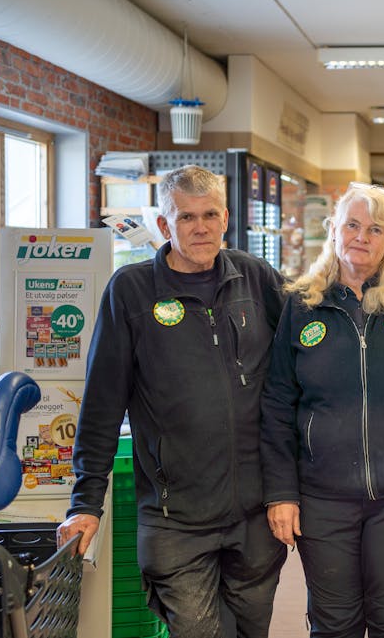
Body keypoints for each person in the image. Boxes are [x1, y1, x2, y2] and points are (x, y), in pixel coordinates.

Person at [56, 165, 288, 638]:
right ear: (164, 225)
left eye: (209, 215)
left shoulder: (257, 279)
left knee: (251, 629)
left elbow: (298, 374)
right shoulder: (132, 292)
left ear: (225, 218)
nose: (200, 227)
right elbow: (101, 405)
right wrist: (85, 503)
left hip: (255, 513)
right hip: (175, 518)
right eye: (186, 217)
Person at [260, 182, 384, 638]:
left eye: (375, 228)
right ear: (334, 229)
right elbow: (276, 405)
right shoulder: (302, 306)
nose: (361, 236)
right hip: (323, 499)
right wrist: (281, 493)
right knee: (334, 625)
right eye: (352, 224)